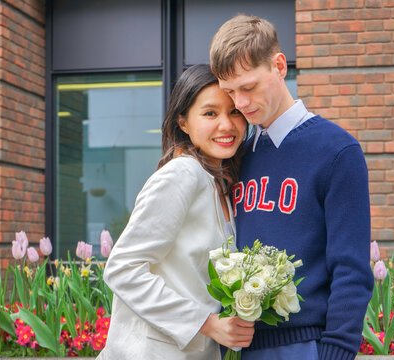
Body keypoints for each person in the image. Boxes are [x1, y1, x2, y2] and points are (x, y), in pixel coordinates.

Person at [209, 15, 374, 360]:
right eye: (229, 92)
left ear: (279, 66)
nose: (239, 103)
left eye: (248, 87)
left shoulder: (337, 151)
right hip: (238, 348)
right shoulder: (236, 156)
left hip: (305, 347)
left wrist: (335, 352)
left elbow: (351, 268)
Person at [97, 64, 254, 360]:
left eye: (234, 111)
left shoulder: (218, 183)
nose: (227, 125)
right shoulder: (182, 175)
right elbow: (123, 268)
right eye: (210, 113)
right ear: (183, 122)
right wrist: (207, 323)